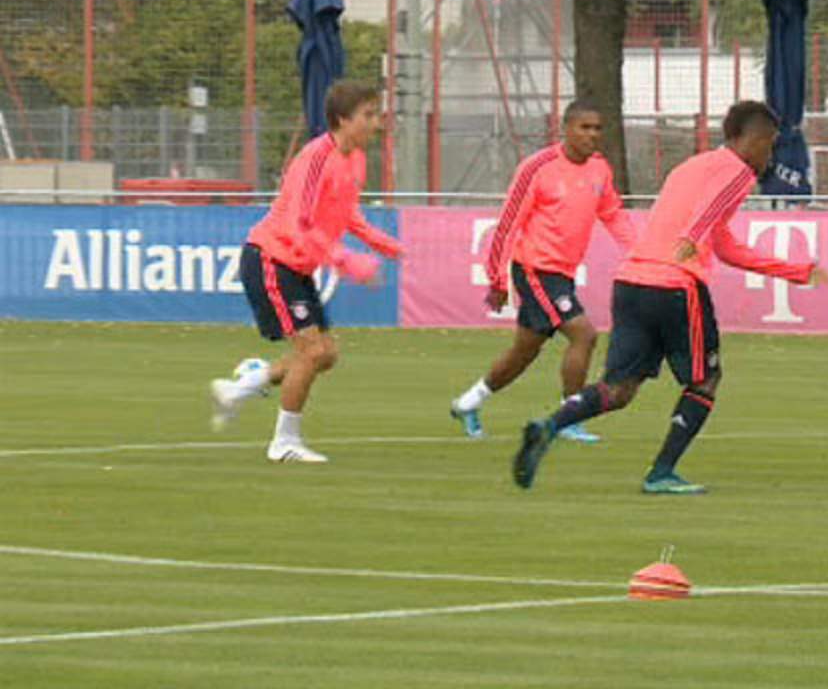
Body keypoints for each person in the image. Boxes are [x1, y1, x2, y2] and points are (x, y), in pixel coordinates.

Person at [510, 100, 826, 494]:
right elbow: (708, 214)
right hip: (675, 285)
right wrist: (692, 237)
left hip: (631, 282)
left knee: (618, 389)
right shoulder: (738, 171)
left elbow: (725, 246)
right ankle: (660, 473)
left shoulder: (690, 168)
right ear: (754, 139)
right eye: (770, 144)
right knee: (705, 380)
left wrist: (795, 272)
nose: (770, 154)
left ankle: (549, 426)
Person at [209, 80, 403, 463]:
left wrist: (388, 246)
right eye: (368, 115)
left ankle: (240, 387)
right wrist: (346, 261)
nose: (376, 122)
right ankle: (284, 443)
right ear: (342, 119)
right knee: (312, 351)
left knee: (325, 355)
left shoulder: (356, 159)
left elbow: (349, 216)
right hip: (271, 259)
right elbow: (301, 224)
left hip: (297, 266)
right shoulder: (316, 157)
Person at [449, 100, 635, 443]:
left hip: (562, 274)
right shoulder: (538, 167)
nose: (592, 134)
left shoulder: (599, 168)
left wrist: (639, 253)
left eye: (597, 128)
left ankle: (467, 403)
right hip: (536, 269)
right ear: (566, 129)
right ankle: (568, 418)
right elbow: (508, 224)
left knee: (524, 352)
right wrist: (497, 278)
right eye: (584, 127)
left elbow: (613, 214)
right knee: (584, 335)